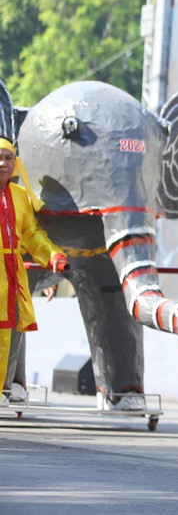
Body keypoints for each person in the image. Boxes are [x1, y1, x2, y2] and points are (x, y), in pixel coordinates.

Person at [0, 138, 66, 403]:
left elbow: (32, 235)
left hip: (12, 274)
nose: (2, 163)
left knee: (11, 332)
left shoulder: (20, 196)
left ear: (16, 164)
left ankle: (4, 387)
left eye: (8, 158)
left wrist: (53, 257)